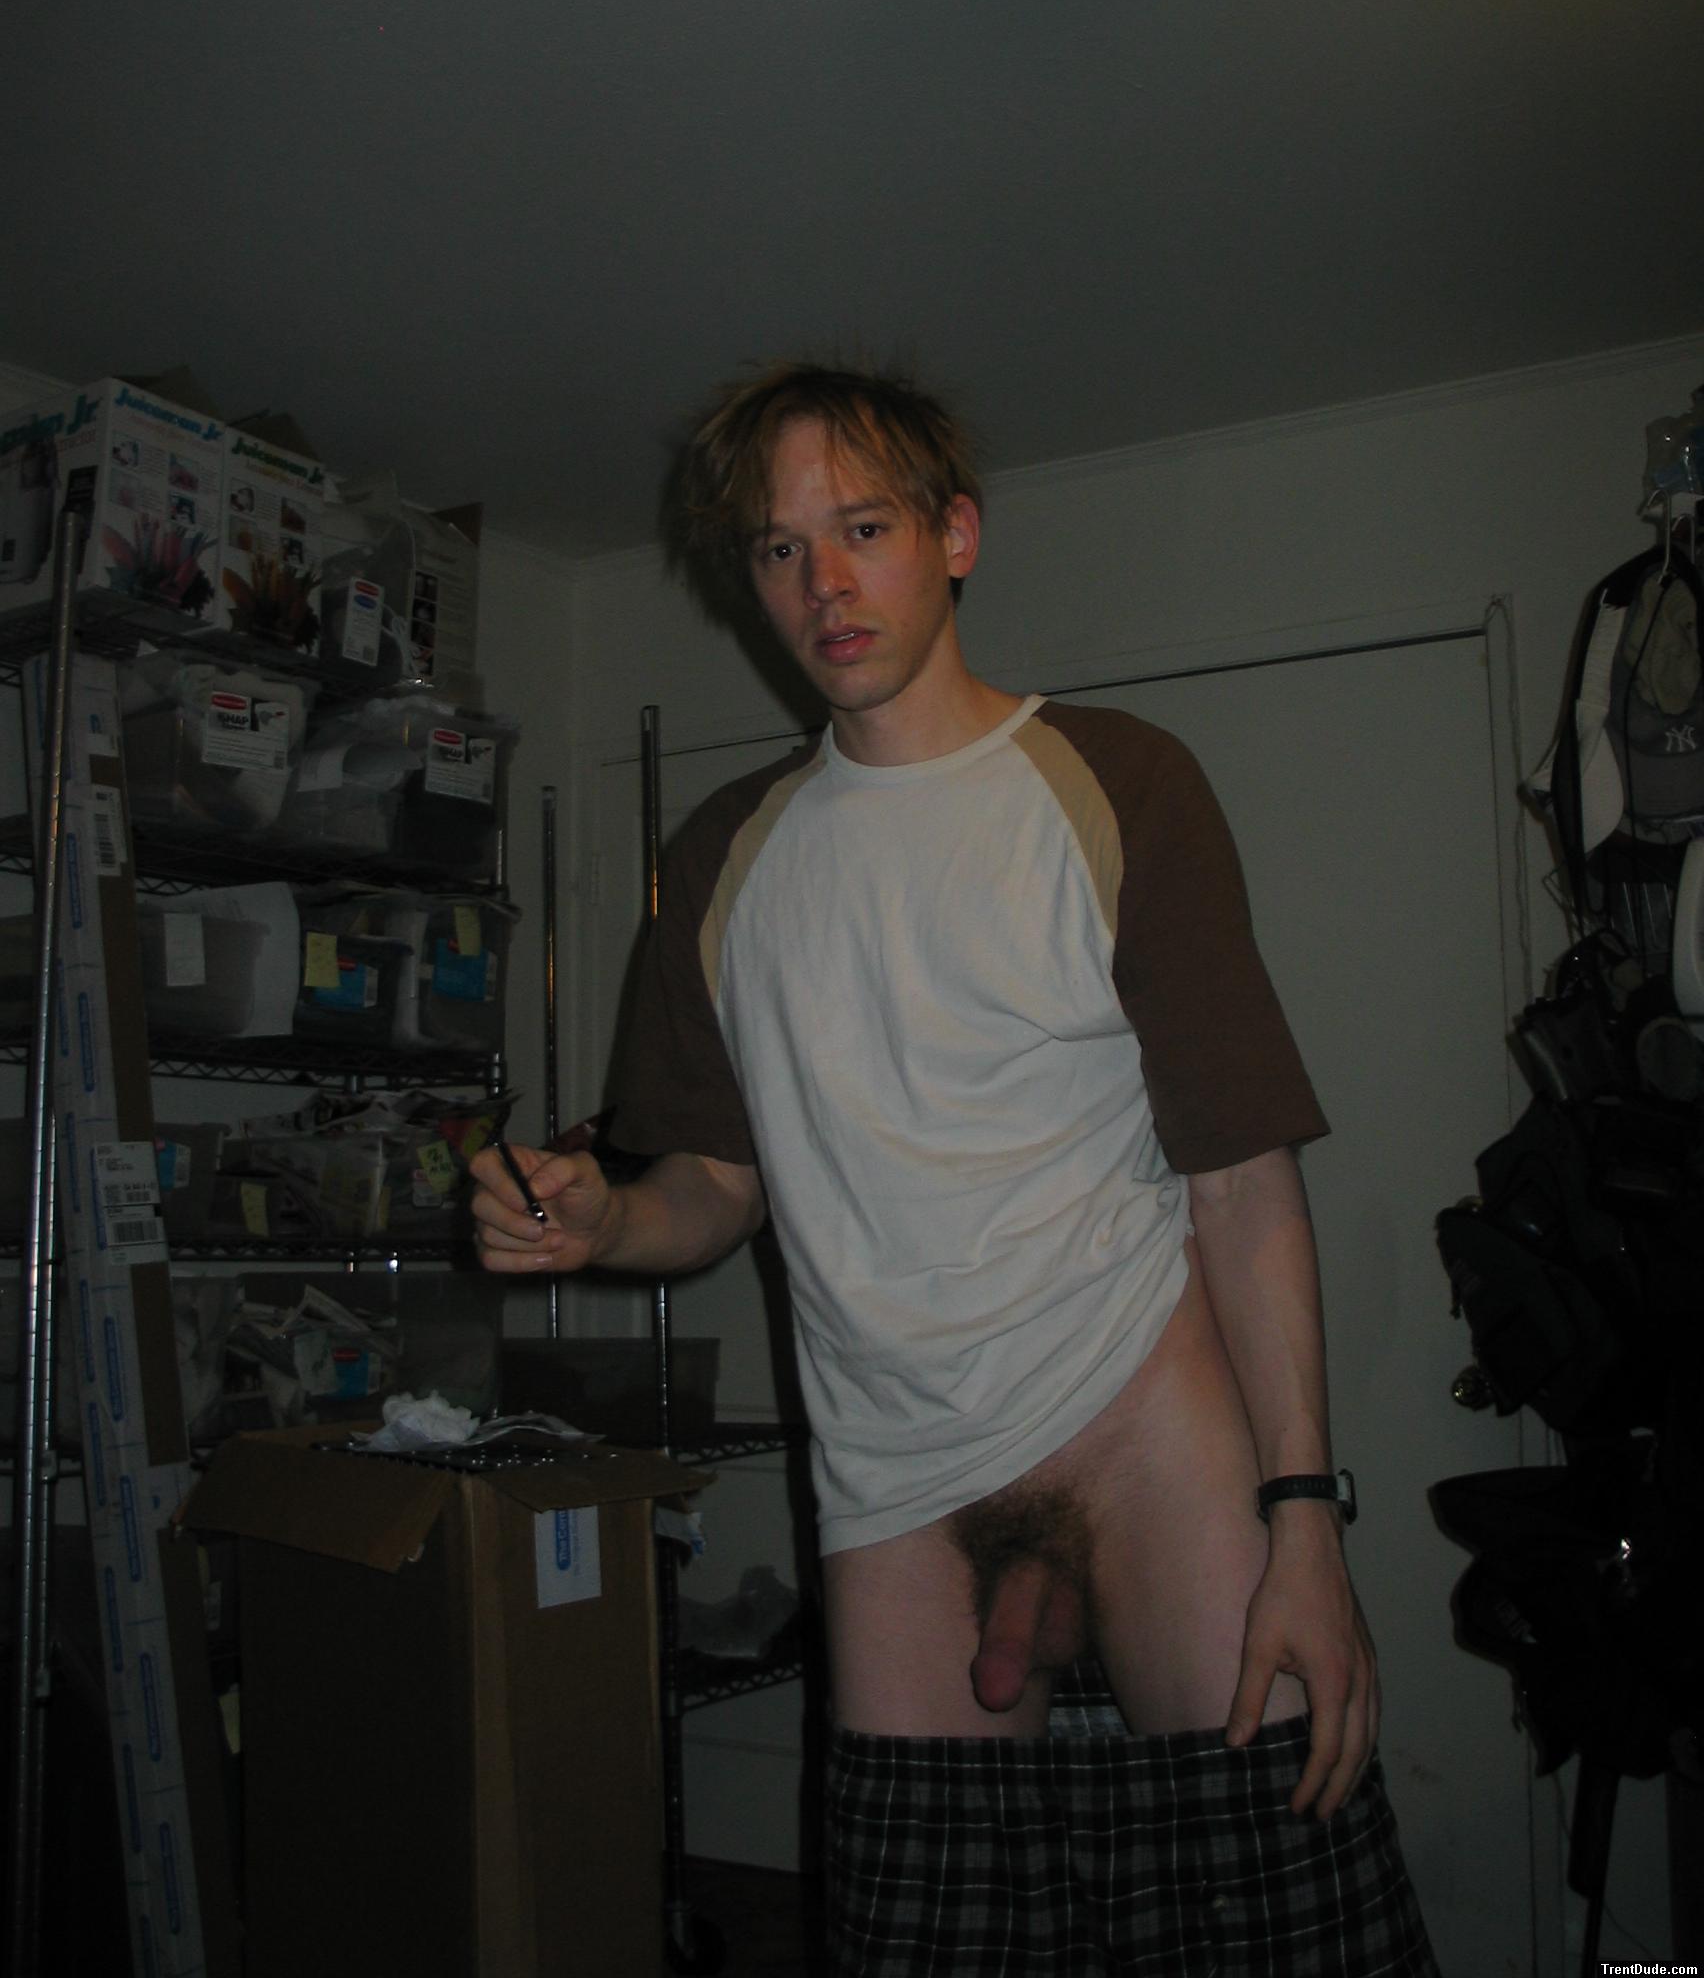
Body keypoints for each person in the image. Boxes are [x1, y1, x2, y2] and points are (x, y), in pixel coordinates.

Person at [473, 363, 1437, 1975]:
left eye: (864, 528)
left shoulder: (1119, 783)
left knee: (1280, 1919)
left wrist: (1305, 1525)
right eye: (781, 549)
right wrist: (600, 1223)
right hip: (892, 1486)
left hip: (1142, 1434)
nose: (825, 583)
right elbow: (716, 1188)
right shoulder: (720, 860)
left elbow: (1243, 1184)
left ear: (956, 536)